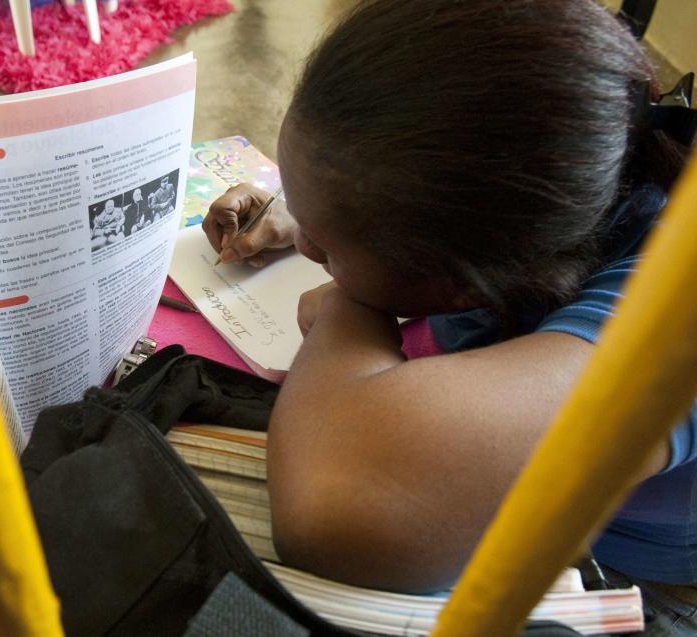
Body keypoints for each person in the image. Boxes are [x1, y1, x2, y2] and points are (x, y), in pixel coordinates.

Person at [202, 0, 696, 633]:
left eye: (323, 248)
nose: (305, 250)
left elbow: (335, 508)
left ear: (472, 285)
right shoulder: (580, 169)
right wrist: (323, 206)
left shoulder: (670, 318)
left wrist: (347, 304)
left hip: (636, 580)